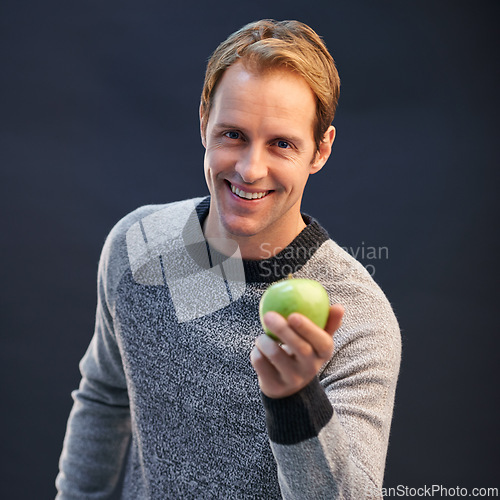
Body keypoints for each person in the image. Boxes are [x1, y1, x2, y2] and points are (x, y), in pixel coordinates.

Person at [56, 19, 401, 499]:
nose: (249, 169)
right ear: (204, 122)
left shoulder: (357, 318)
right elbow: (105, 396)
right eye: (233, 134)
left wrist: (296, 400)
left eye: (281, 143)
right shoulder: (138, 245)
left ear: (320, 150)